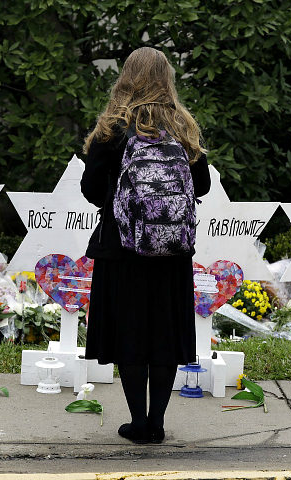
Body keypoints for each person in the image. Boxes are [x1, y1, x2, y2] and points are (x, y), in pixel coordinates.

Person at [80, 47, 211, 444]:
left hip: (122, 251)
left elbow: (90, 189)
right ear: (167, 79)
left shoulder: (113, 128)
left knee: (131, 336)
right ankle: (158, 422)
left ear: (126, 78)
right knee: (164, 337)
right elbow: (202, 185)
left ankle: (137, 423)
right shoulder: (182, 126)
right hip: (171, 253)